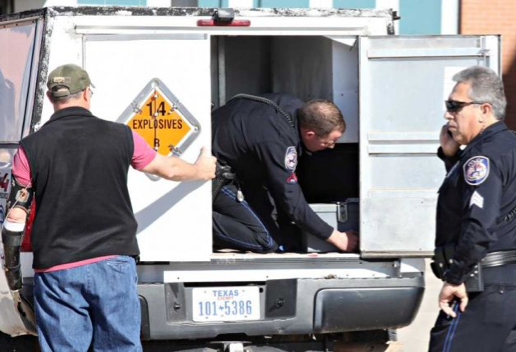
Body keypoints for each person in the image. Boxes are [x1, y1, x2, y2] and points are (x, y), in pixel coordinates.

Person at [1, 64, 216, 351]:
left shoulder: (30, 147)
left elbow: (15, 216)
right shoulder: (122, 136)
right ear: (87, 93)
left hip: (57, 266)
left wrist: (13, 275)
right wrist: (200, 170)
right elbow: (168, 168)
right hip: (113, 261)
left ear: (52, 99)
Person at [429, 66, 516, 352]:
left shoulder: (481, 158)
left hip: (483, 289)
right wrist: (452, 159)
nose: (447, 115)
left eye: (455, 106)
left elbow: (479, 224)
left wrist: (455, 278)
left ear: (484, 110)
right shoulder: (508, 147)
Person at [212, 93, 359, 253]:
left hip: (222, 160)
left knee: (272, 227)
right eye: (328, 142)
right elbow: (291, 200)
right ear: (310, 134)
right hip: (209, 175)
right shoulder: (279, 141)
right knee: (265, 240)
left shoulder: (293, 106)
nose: (331, 147)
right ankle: (189, 220)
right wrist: (336, 237)